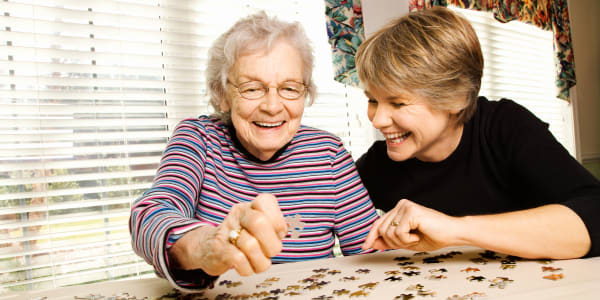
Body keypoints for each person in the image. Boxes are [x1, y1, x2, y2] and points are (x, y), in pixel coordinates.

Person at [129, 12, 378, 291]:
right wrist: (206, 245)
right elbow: (149, 216)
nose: (272, 106)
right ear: (221, 94)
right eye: (251, 88)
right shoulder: (197, 139)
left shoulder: (328, 154)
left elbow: (372, 252)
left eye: (289, 88)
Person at [355, 7, 600, 259]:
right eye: (372, 100)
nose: (378, 119)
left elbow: (594, 213)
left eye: (398, 103)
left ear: (456, 98)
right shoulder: (377, 165)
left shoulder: (506, 127)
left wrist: (455, 229)